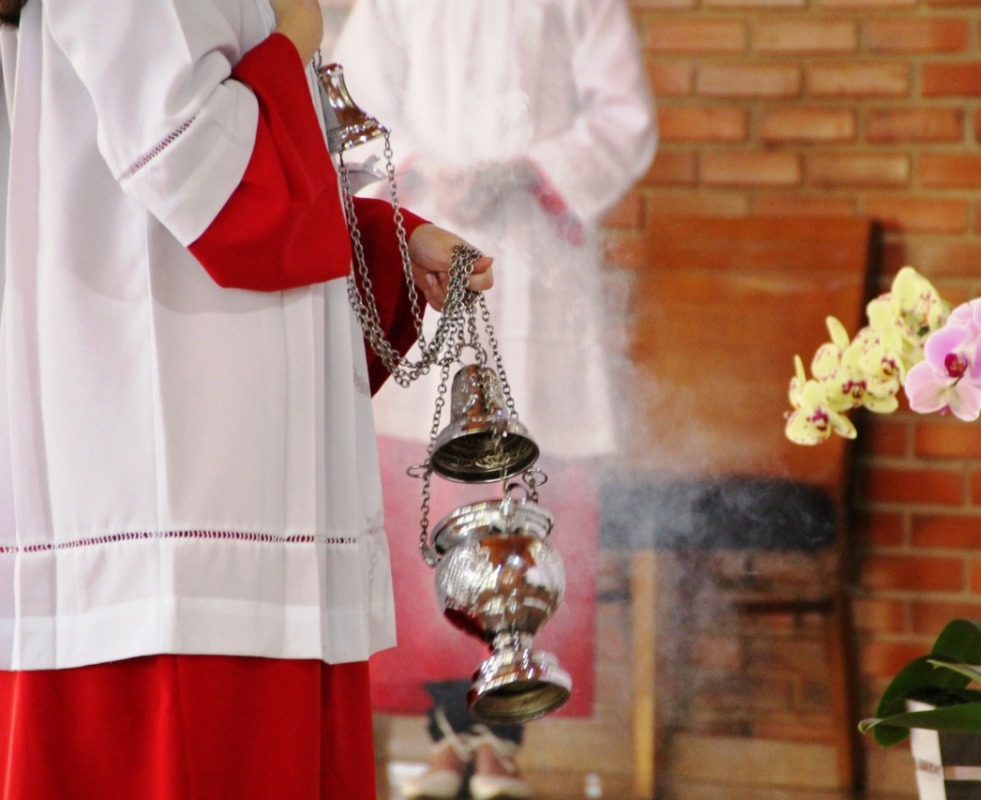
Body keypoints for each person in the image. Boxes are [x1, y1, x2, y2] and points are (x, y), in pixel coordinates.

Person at [0, 0, 493, 798]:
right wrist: (296, 33)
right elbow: (206, 177)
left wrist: (385, 239)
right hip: (172, 509)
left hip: (238, 485)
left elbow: (200, 177)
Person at [332, 0, 657, 798]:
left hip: (535, 260)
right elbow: (353, 104)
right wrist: (423, 169)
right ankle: (446, 736)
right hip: (429, 235)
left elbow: (624, 116)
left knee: (524, 506)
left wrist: (527, 171)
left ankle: (501, 741)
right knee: (428, 505)